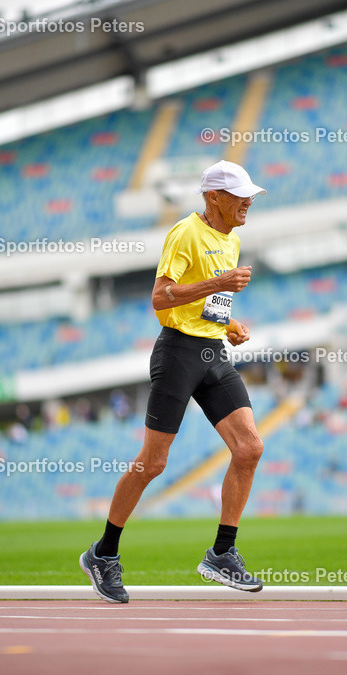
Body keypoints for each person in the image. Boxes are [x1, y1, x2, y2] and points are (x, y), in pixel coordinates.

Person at [80, 160, 266, 603]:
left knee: (250, 448)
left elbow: (208, 305)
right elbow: (160, 297)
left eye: (250, 195)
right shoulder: (185, 233)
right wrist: (219, 282)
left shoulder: (231, 238)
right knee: (153, 463)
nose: (248, 202)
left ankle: (222, 553)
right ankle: (103, 554)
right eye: (240, 195)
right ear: (213, 197)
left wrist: (228, 324)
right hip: (178, 353)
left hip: (212, 352)